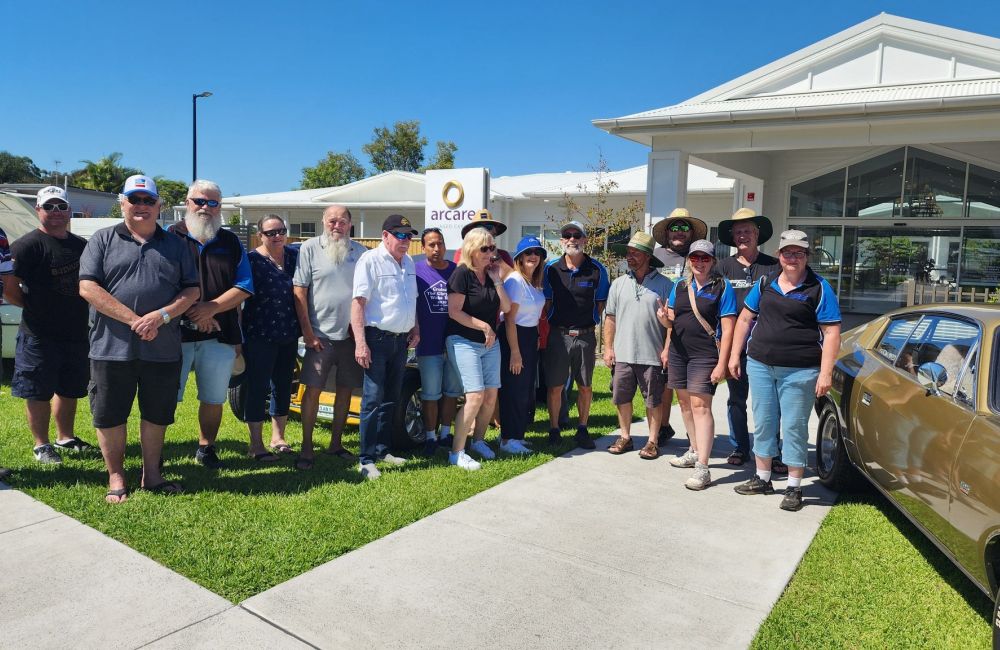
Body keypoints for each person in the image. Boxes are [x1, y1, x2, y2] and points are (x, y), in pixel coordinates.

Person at [79, 175, 200, 503]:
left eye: (149, 201)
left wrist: (161, 317)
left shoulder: (176, 245)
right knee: (109, 414)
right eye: (135, 199)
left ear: (159, 205)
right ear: (123, 203)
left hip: (162, 350)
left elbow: (192, 290)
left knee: (156, 414)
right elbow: (88, 287)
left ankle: (152, 474)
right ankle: (116, 475)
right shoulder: (102, 240)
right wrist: (136, 320)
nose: (142, 206)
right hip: (110, 348)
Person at [729, 230, 842, 511]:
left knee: (793, 426)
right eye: (788, 253)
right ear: (779, 255)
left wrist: (826, 372)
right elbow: (745, 319)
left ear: (806, 257)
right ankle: (763, 478)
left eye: (799, 253)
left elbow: (831, 332)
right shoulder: (766, 282)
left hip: (800, 370)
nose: (793, 258)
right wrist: (734, 354)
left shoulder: (819, 288)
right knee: (764, 421)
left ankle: (794, 487)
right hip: (760, 365)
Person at [3, 187, 95, 465]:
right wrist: (32, 307)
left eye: (61, 207)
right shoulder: (26, 245)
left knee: (70, 389)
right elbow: (9, 287)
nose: (56, 212)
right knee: (38, 391)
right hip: (39, 334)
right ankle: (41, 445)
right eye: (49, 207)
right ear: (38, 210)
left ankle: (65, 437)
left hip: (76, 331)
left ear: (69, 211)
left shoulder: (82, 245)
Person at [169, 180, 253, 470]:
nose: (205, 207)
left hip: (220, 334)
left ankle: (207, 447)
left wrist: (210, 310)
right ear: (187, 202)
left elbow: (244, 285)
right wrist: (192, 313)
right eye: (199, 201)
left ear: (221, 206)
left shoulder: (230, 242)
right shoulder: (168, 237)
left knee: (213, 398)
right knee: (165, 396)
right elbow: (160, 283)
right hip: (174, 335)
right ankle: (156, 450)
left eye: (212, 202)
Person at [292, 205, 367, 469]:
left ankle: (336, 444)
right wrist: (308, 333)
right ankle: (307, 447)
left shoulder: (361, 252)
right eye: (332, 220)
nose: (337, 226)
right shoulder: (309, 248)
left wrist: (361, 336)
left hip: (350, 336)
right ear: (323, 221)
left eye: (343, 221)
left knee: (346, 390)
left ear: (350, 224)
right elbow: (299, 292)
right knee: (312, 391)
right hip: (319, 336)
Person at [664, 239, 736, 491]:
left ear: (713, 262)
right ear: (689, 260)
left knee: (700, 405)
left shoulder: (721, 287)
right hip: (678, 352)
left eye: (705, 258)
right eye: (695, 258)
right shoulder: (680, 286)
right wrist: (663, 320)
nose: (699, 262)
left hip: (705, 354)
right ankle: (694, 449)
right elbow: (671, 321)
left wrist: (722, 363)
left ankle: (703, 467)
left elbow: (728, 330)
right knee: (684, 403)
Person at [351, 214, 420, 480]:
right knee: (372, 399)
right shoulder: (370, 260)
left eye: (409, 235)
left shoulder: (409, 262)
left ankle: (382, 450)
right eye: (400, 235)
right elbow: (358, 304)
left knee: (391, 397)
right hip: (376, 339)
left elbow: (410, 301)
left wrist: (416, 328)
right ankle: (366, 459)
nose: (406, 240)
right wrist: (360, 343)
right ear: (385, 236)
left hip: (400, 340)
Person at [715, 208, 780, 469]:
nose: (743, 236)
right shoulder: (722, 268)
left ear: (757, 234)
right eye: (738, 232)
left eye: (748, 231)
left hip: (766, 345)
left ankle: (772, 452)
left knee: (768, 402)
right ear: (733, 236)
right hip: (734, 347)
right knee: (737, 400)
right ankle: (740, 447)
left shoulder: (773, 265)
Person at [446, 227, 511, 467]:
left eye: (492, 247)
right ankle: (457, 453)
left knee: (491, 395)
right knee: (474, 396)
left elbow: (506, 307)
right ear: (472, 250)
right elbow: (454, 312)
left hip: (489, 344)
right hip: (463, 341)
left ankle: (479, 441)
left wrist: (497, 281)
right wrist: (484, 326)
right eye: (485, 248)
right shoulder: (462, 274)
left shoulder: (492, 273)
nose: (490, 252)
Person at [603, 232, 672, 459]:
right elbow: (610, 318)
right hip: (623, 353)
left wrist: (666, 349)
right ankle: (625, 436)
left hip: (652, 354)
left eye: (635, 253)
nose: (629, 257)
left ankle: (652, 441)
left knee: (653, 400)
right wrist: (609, 348)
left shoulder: (665, 285)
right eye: (628, 253)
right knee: (621, 397)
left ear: (648, 256)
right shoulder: (618, 284)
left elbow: (671, 323)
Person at [542, 220, 610, 449]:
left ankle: (582, 428)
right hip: (558, 335)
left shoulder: (597, 270)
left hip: (585, 336)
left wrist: (586, 326)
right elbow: (547, 302)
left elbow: (600, 304)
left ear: (585, 240)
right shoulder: (550, 269)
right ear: (562, 241)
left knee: (585, 385)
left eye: (577, 235)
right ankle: (554, 429)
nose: (572, 239)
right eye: (567, 236)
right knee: (555, 386)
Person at [241, 215, 300, 462]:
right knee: (257, 387)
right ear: (260, 235)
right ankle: (256, 444)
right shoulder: (251, 260)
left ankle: (278, 437)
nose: (277, 236)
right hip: (259, 334)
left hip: (289, 332)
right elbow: (239, 296)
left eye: (280, 231)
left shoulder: (294, 257)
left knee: (283, 385)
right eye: (270, 233)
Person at [651, 208, 708, 447]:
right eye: (675, 227)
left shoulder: (699, 257)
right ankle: (663, 426)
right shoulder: (656, 257)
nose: (679, 232)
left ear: (692, 232)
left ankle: (694, 433)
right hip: (658, 325)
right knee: (663, 381)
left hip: (688, 327)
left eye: (685, 228)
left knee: (687, 386)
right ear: (667, 232)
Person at [414, 227, 461, 456]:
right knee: (430, 393)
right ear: (423, 248)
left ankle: (445, 433)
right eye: (431, 244)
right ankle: (430, 437)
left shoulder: (456, 270)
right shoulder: (416, 272)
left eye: (440, 243)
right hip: (428, 343)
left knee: (452, 391)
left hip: (454, 341)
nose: (436, 248)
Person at [498, 236, 547, 455]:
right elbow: (509, 319)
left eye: (537, 253)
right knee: (513, 390)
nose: (533, 257)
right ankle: (507, 439)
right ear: (519, 257)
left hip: (528, 337)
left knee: (525, 390)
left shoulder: (533, 282)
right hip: (514, 337)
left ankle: (517, 436)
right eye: (528, 253)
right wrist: (515, 352)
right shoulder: (515, 281)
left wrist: (534, 339)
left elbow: (534, 316)